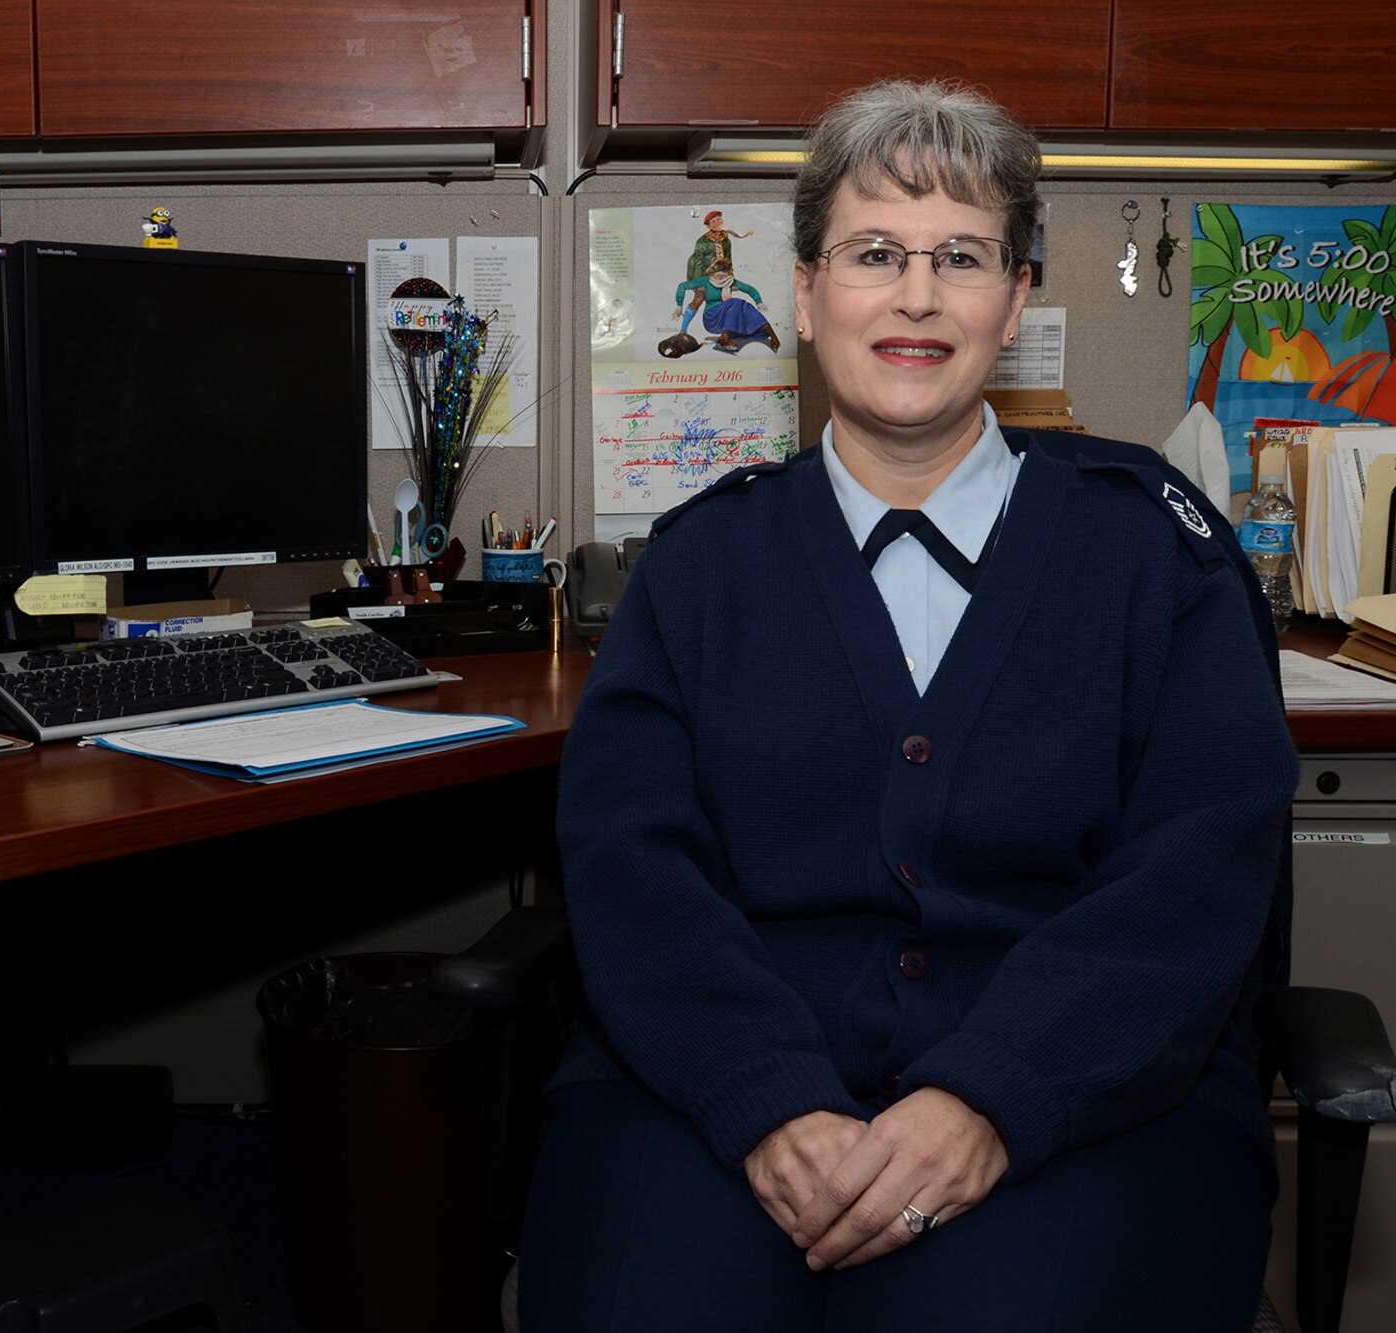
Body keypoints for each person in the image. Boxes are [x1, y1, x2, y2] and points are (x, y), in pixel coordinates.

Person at [521, 79, 1299, 1332]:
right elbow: (631, 865)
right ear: (804, 291)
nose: (916, 296)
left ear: (1017, 295)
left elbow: (1197, 872)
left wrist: (989, 1097)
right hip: (716, 1079)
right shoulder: (695, 566)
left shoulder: (1160, 553)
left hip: (1082, 1086)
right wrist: (766, 1098)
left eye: (962, 257)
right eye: (873, 252)